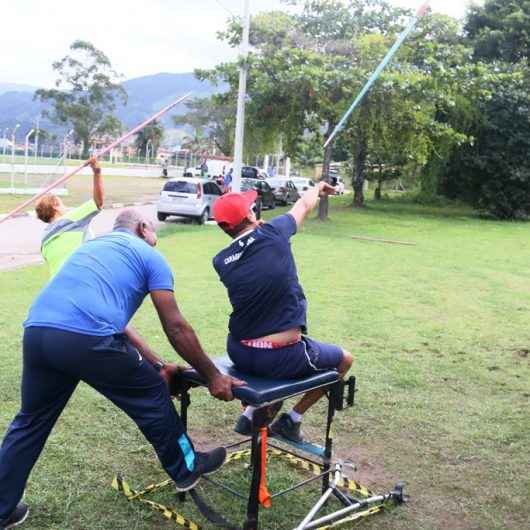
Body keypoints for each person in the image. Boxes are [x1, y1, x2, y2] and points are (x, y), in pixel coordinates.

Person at [0, 209, 244, 529]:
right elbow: (176, 327)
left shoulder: (91, 249)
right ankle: (187, 468)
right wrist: (214, 376)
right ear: (143, 228)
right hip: (87, 338)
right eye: (153, 229)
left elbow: (120, 325)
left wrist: (158, 364)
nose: (154, 236)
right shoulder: (148, 255)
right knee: (154, 391)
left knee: (30, 421)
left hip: (39, 333)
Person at [212, 182, 353, 443]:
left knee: (286, 359)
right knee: (344, 359)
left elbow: (250, 255)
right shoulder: (273, 232)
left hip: (239, 351)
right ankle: (293, 420)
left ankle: (254, 409)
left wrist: (257, 229)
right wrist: (319, 188)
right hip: (279, 356)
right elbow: (303, 204)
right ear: (250, 215)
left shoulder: (220, 261)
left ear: (223, 227)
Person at [35, 157, 104, 277]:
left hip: (58, 287)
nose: (66, 207)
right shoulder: (72, 219)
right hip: (82, 281)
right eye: (62, 204)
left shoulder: (44, 241)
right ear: (55, 206)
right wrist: (97, 172)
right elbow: (98, 202)